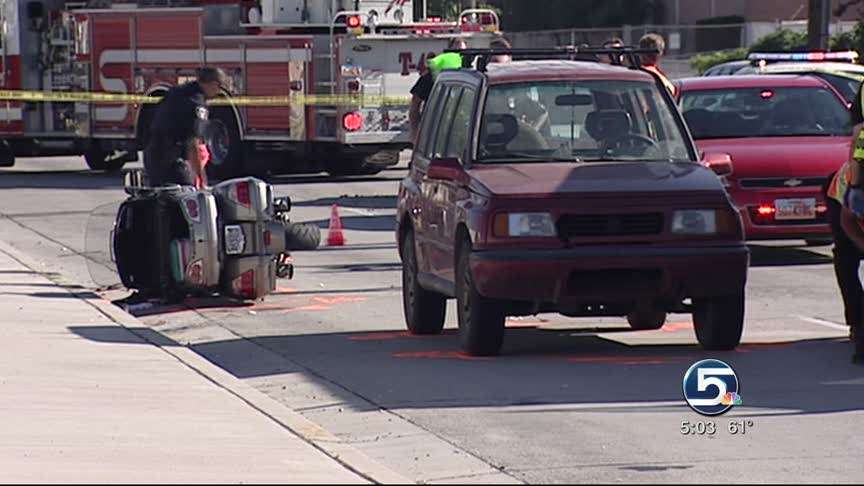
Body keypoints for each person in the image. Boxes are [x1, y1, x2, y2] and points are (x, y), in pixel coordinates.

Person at [824, 81, 864, 363]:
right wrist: (856, 185)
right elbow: (860, 137)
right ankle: (859, 327)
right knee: (848, 258)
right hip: (851, 187)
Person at [143, 66, 228, 187]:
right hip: (171, 162)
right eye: (220, 88)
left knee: (159, 201)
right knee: (188, 199)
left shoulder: (177, 92)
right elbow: (192, 144)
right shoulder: (196, 103)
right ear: (214, 84)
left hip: (152, 156)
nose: (218, 93)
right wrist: (201, 177)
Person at [408, 37, 468, 144]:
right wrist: (415, 132)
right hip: (434, 132)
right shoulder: (432, 76)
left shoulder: (472, 76)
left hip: (461, 133)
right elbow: (415, 104)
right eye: (455, 52)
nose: (458, 56)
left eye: (462, 52)